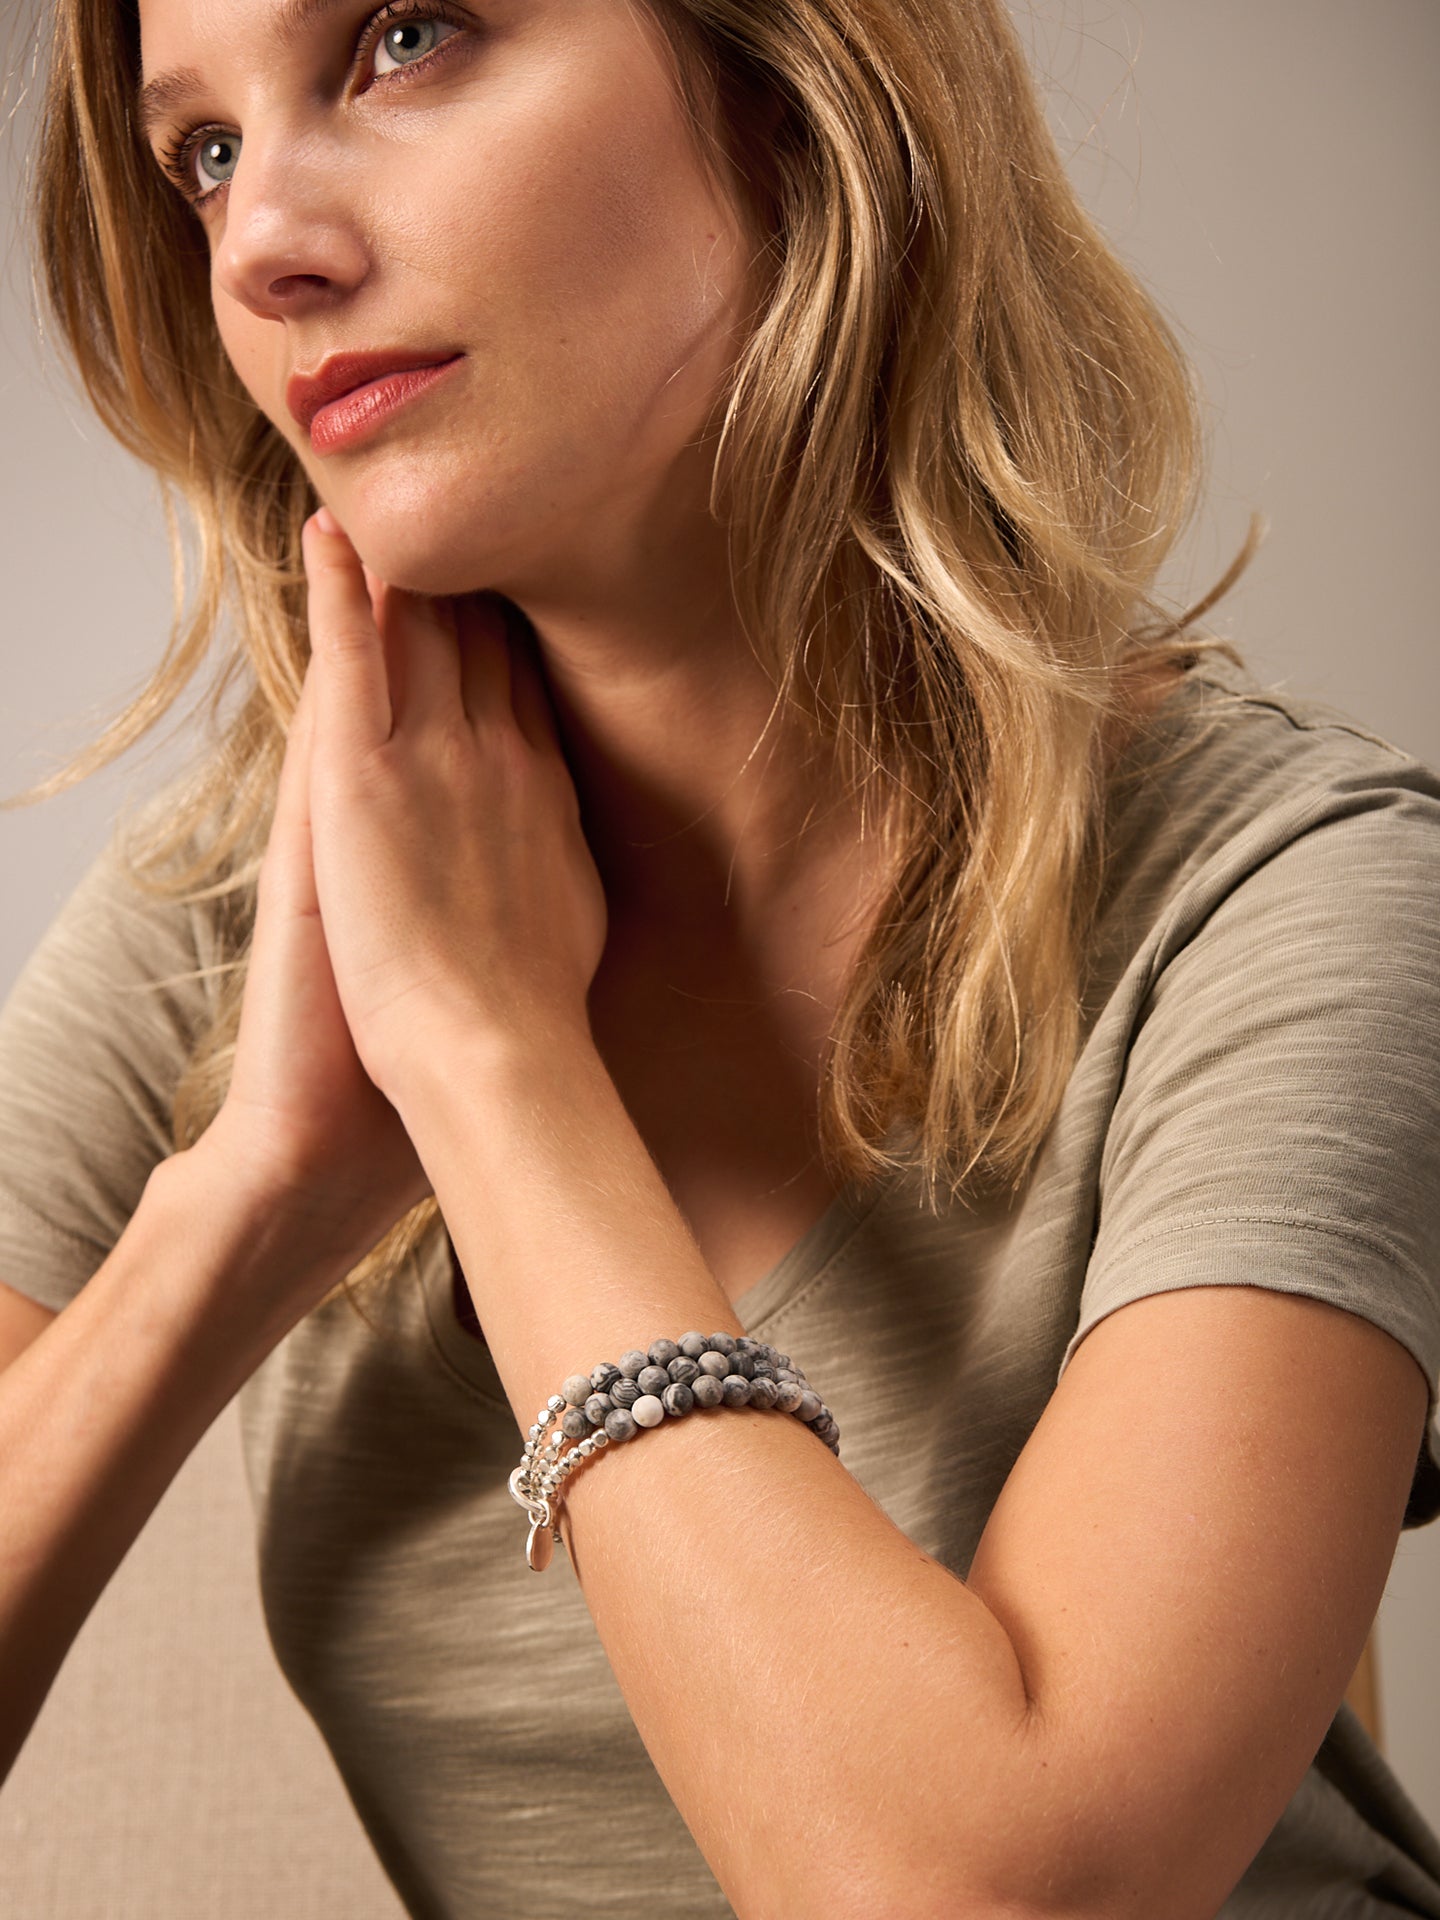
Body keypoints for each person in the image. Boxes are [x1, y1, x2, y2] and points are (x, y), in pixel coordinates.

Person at [2, 0, 1438, 1913]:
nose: (260, 243)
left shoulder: (1296, 894)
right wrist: (259, 1190)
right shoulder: (253, 916)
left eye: (405, 36)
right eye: (204, 151)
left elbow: (989, 1900)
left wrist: (493, 1069)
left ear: (795, 82)